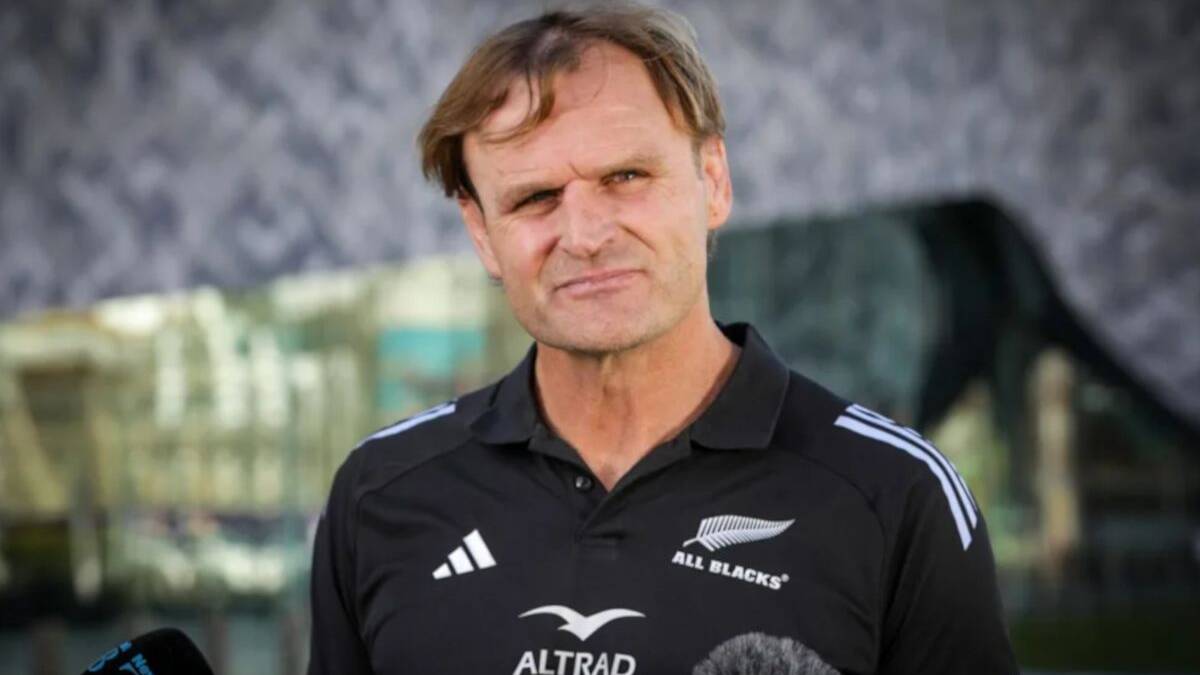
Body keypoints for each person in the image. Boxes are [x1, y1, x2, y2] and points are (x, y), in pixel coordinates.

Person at [308, 4, 1019, 674]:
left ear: (713, 181)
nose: (586, 235)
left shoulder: (893, 495)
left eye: (626, 176)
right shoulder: (382, 494)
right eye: (535, 198)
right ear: (481, 233)